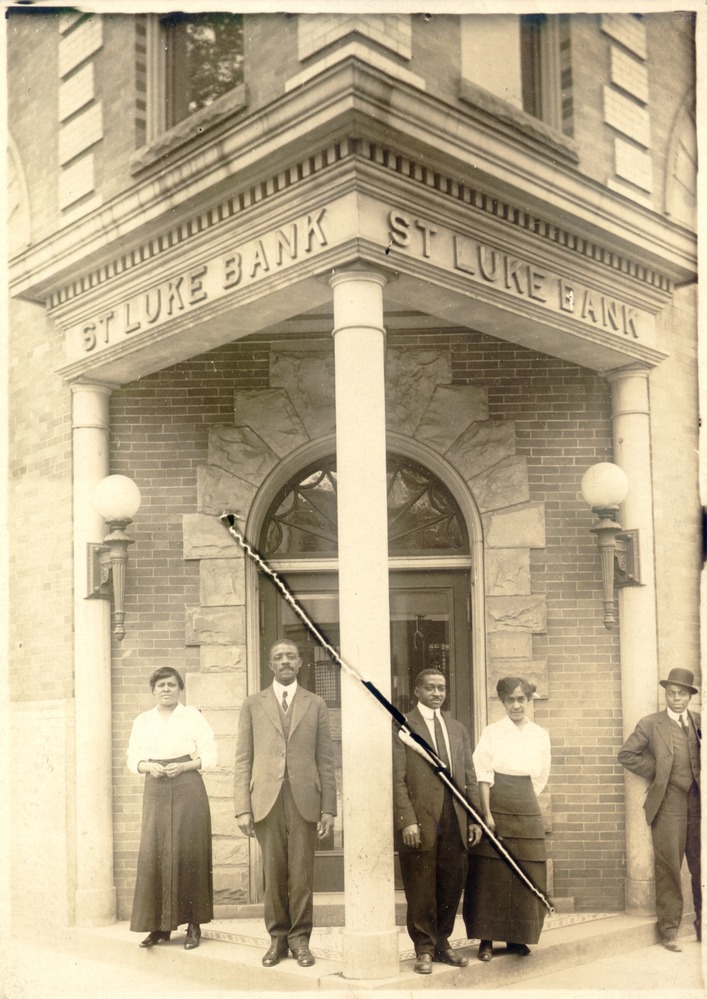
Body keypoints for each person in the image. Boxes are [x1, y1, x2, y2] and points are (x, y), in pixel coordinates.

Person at [234, 639, 336, 968]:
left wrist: (329, 808)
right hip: (266, 799)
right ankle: (277, 939)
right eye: (278, 657)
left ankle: (301, 941)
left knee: (302, 874)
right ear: (270, 665)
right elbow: (242, 759)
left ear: (301, 662)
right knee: (274, 872)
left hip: (304, 798)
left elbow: (325, 759)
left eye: (291, 656)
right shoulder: (253, 704)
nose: (285, 661)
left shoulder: (315, 703)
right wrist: (243, 807)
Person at [392, 667, 482, 975]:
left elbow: (469, 776)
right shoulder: (403, 725)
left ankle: (443, 942)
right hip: (421, 819)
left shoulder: (457, 728)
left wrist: (473, 818)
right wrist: (407, 820)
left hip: (454, 818)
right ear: (417, 691)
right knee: (420, 884)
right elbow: (397, 778)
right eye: (430, 688)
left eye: (441, 688)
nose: (437, 693)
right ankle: (424, 948)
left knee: (451, 881)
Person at [127, 666, 217, 950]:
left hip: (188, 784)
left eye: (172, 685)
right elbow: (132, 758)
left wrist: (185, 765)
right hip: (156, 787)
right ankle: (158, 927)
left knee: (190, 851)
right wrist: (147, 765)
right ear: (153, 691)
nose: (166, 689)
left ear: (180, 689)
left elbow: (211, 754)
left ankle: (193, 925)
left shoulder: (193, 717)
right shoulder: (143, 721)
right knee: (155, 851)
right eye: (161, 685)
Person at [463, 676, 551, 962]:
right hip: (497, 801)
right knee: (492, 873)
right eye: (510, 700)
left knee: (527, 868)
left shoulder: (540, 734)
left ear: (528, 701)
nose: (516, 705)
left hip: (526, 802)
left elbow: (540, 776)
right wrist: (486, 813)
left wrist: (524, 798)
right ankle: (486, 940)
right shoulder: (492, 732)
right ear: (502, 702)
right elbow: (483, 775)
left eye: (521, 699)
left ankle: (517, 938)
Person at [617, 667, 701, 952]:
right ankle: (669, 932)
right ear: (666, 695)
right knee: (668, 869)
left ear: (690, 696)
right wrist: (658, 772)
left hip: (698, 804)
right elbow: (626, 754)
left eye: (681, 694)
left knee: (700, 866)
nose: (676, 699)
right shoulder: (652, 724)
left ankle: (702, 926)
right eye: (671, 693)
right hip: (667, 805)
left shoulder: (699, 723)